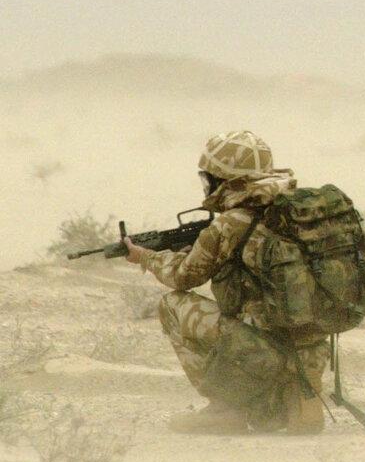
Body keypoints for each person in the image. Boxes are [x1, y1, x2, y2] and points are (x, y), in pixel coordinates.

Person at [125, 131, 330, 433]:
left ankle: (226, 408)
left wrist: (146, 257)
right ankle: (297, 394)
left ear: (224, 179)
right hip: (312, 350)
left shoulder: (233, 222)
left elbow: (183, 277)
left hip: (261, 348)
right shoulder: (299, 212)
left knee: (173, 305)